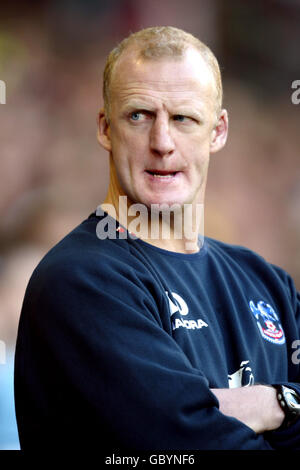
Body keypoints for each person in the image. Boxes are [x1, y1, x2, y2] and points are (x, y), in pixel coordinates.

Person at [14, 26, 300, 451]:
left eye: (183, 118)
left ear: (218, 131)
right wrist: (282, 401)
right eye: (139, 115)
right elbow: (182, 448)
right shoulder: (80, 282)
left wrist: (260, 405)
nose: (162, 142)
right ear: (105, 128)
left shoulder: (268, 283)